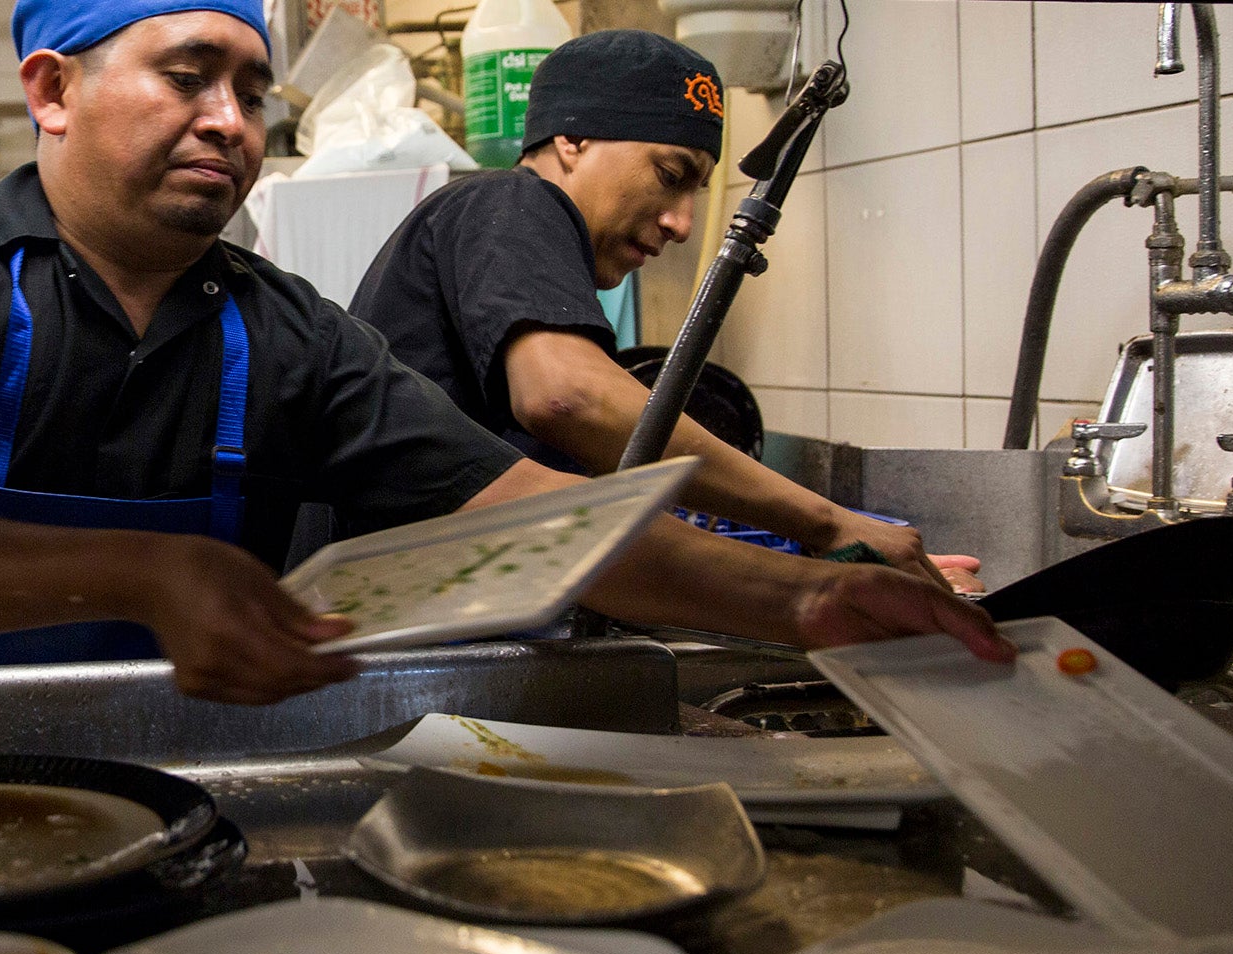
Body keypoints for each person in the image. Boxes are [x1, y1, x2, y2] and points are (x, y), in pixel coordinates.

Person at [0, 0, 1013, 704]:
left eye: (251, 89)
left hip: (180, 793)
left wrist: (801, 599)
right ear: (53, 92)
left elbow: (539, 518)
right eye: (186, 75)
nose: (229, 122)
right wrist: (147, 575)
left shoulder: (281, 329)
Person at [351, 29, 982, 593]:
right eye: (670, 174)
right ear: (572, 140)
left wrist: (828, 581)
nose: (682, 223)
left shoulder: (503, 233)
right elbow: (569, 399)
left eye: (694, 192)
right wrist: (830, 523)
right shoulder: (506, 201)